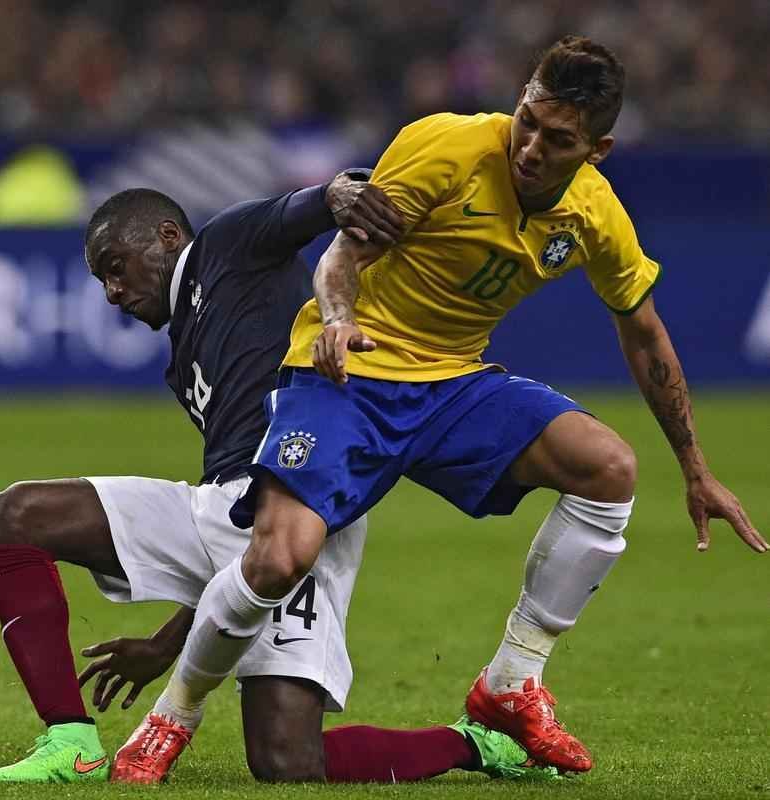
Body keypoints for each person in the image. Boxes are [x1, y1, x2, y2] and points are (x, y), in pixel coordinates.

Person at [123, 35, 768, 781]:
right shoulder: (445, 146)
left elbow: (644, 335)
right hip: (347, 375)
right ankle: (172, 716)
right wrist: (335, 320)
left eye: (555, 139)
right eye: (526, 119)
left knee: (608, 468)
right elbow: (340, 258)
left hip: (449, 386)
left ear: (596, 149)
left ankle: (508, 684)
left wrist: (694, 469)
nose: (528, 147)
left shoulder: (595, 217)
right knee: (277, 560)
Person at [0, 172, 553, 784]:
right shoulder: (185, 359)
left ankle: (476, 744)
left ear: (168, 237)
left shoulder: (225, 246)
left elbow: (301, 211)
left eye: (117, 267)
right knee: (14, 516)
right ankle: (72, 742)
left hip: (304, 515)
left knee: (288, 761)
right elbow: (231, 561)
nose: (114, 291)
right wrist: (164, 642)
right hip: (221, 509)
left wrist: (338, 194)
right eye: (102, 281)